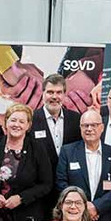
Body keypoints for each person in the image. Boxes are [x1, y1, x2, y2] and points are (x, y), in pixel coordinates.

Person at [31, 73, 82, 209]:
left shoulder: (76, 119)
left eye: (59, 92)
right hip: (40, 191)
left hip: (68, 190)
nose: (54, 97)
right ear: (43, 94)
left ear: (65, 95)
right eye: (50, 92)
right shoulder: (31, 120)